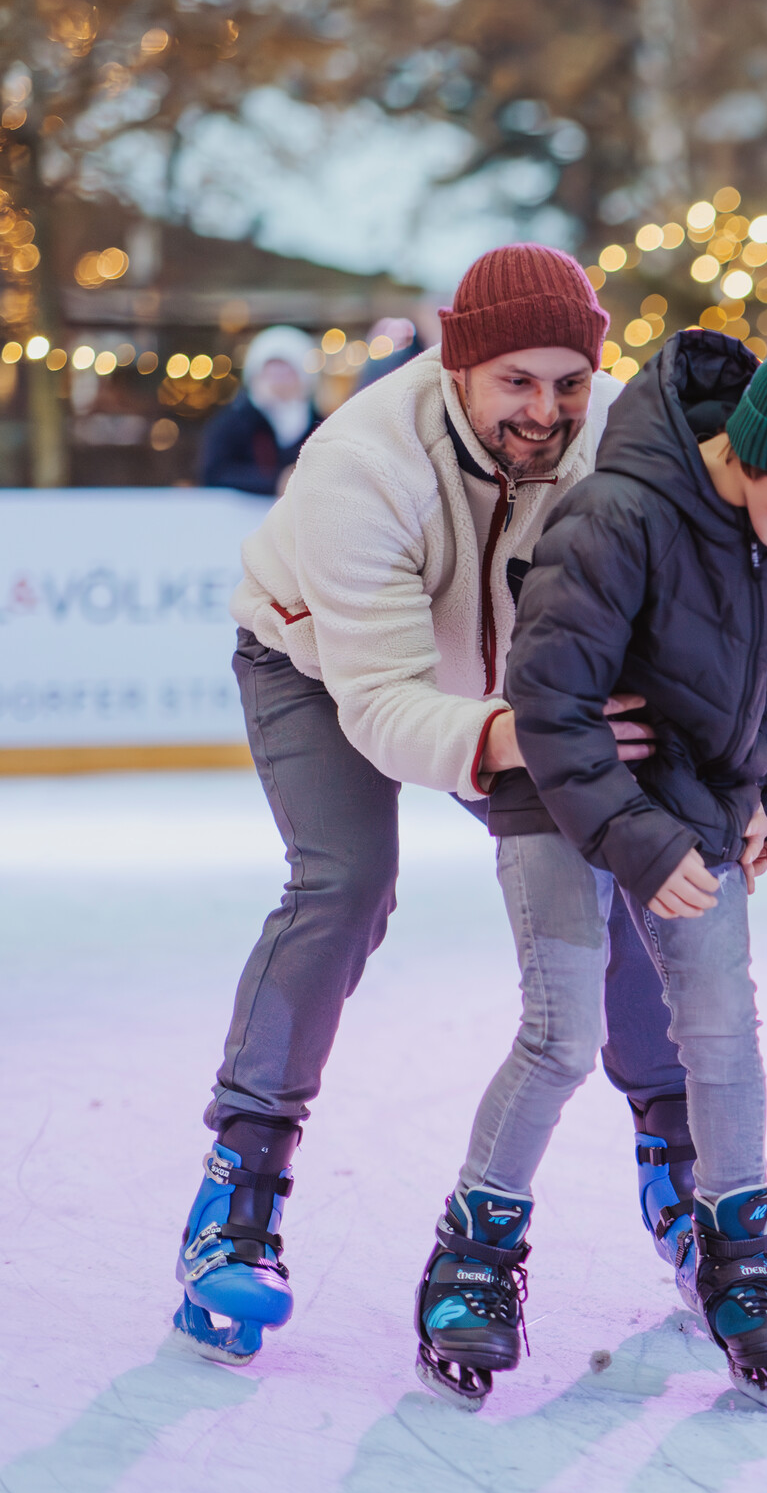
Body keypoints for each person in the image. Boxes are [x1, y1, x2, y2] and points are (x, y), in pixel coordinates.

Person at [174, 246, 680, 1369]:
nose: (544, 411)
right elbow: (387, 704)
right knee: (345, 882)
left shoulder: (614, 442)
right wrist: (520, 733)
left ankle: (680, 1159)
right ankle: (239, 1189)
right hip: (320, 663)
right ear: (459, 367)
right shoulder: (362, 462)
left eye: (567, 382)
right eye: (515, 381)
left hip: (526, 688)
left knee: (627, 870)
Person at [410, 329, 767, 1410]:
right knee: (564, 1032)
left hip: (695, 808)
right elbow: (546, 707)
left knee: (722, 1028)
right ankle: (477, 1245)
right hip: (558, 797)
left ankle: (740, 1245)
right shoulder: (615, 515)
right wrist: (639, 841)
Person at [198, 326, 323, 495]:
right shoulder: (235, 421)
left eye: (286, 370)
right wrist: (276, 483)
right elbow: (215, 473)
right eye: (271, 370)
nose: (278, 380)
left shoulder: (318, 424)